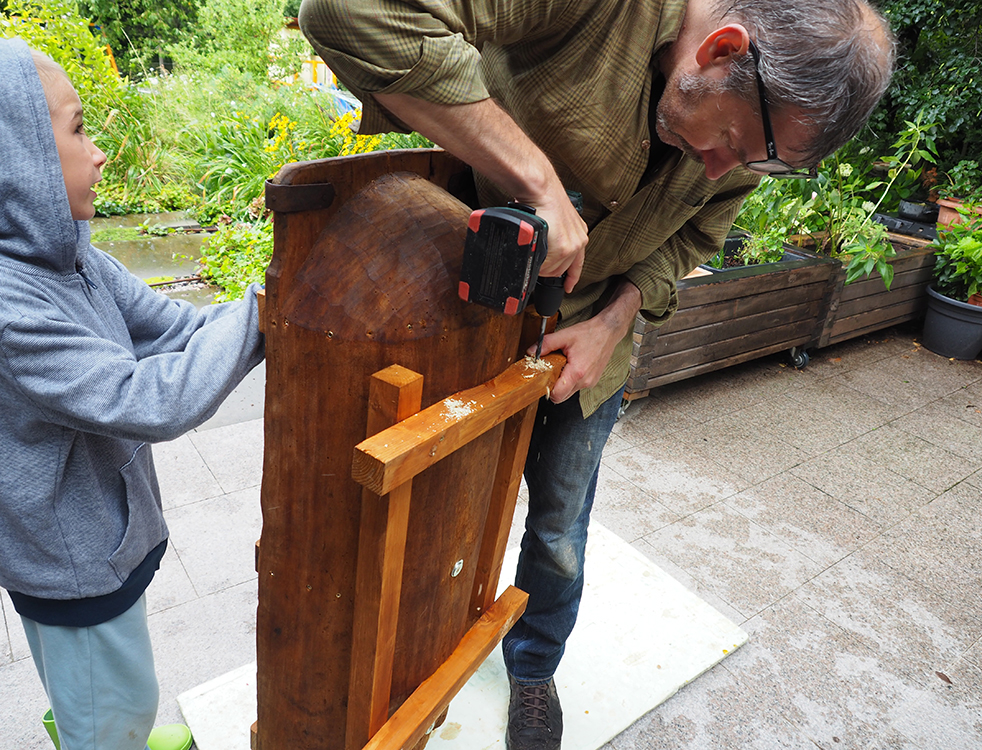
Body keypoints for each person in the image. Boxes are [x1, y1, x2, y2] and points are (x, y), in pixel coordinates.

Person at [297, 0, 895, 747]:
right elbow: (350, 12)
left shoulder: (748, 136)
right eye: (733, 143)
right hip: (457, 314)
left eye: (751, 164)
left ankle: (534, 668)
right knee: (430, 506)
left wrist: (612, 323)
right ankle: (412, 662)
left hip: (592, 353)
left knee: (557, 534)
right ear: (721, 48)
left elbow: (688, 241)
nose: (720, 170)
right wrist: (538, 182)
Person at [0, 38, 266, 750]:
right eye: (78, 129)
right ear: (17, 157)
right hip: (72, 568)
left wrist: (262, 311)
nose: (99, 153)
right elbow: (149, 398)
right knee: (114, 710)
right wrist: (265, 310)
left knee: (106, 690)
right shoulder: (10, 306)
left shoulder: (76, 256)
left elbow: (176, 327)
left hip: (98, 537)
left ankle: (86, 724)